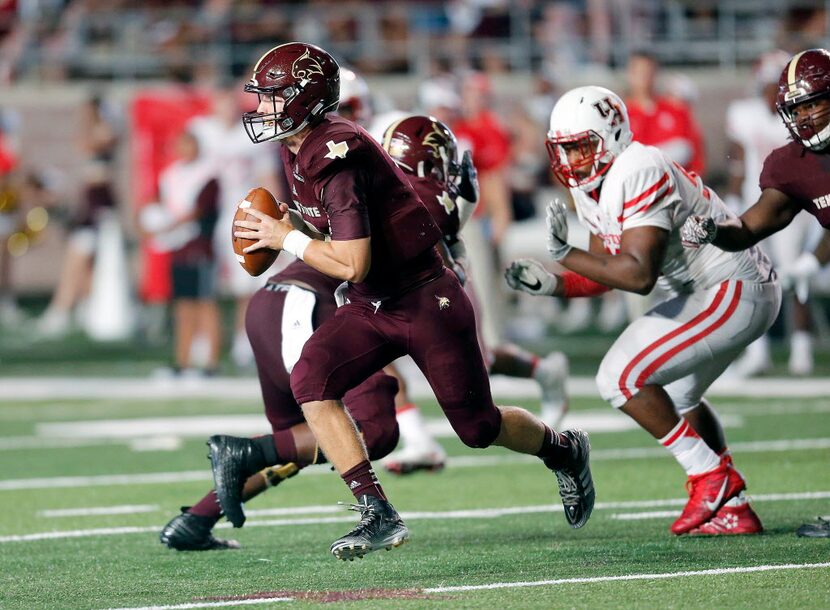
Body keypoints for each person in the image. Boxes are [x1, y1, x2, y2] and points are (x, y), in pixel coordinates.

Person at [227, 42, 594, 561]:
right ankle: (376, 512)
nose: (261, 108)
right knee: (311, 379)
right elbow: (343, 246)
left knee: (478, 427)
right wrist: (292, 227)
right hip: (371, 302)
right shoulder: (300, 147)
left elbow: (352, 260)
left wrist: (285, 238)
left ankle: (564, 449)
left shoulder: (338, 156)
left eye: (272, 97)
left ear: (303, 98)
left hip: (425, 301)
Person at [506, 85, 779, 536]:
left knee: (619, 376)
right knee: (681, 397)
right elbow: (603, 273)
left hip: (731, 286)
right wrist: (553, 283)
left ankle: (710, 477)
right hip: (713, 291)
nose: (571, 161)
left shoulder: (637, 167)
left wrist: (565, 253)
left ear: (611, 136)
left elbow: (637, 276)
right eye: (564, 150)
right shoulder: (595, 181)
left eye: (580, 148)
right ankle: (733, 508)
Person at [160, 259, 400, 551]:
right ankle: (245, 452)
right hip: (306, 305)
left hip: (278, 302)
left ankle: (196, 520)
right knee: (374, 430)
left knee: (298, 441)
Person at [378, 114, 569, 475]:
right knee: (378, 361)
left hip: (438, 289)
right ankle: (417, 438)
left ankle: (544, 372)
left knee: (478, 369)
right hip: (400, 293)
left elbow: (447, 242)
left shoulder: (428, 190)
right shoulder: (361, 141)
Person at [681, 48, 830, 335]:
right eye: (794, 111)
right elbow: (749, 228)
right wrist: (715, 230)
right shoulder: (793, 164)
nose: (803, 120)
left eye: (810, 105)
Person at [721, 50, 815, 377]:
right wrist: (733, 198)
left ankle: (801, 347)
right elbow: (736, 157)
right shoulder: (744, 114)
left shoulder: (803, 113)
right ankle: (757, 352)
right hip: (755, 207)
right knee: (751, 280)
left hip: (794, 207)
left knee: (793, 274)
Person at [142, 131, 221, 375]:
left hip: (199, 246)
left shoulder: (208, 175)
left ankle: (210, 361)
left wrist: (168, 226)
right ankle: (183, 359)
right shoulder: (171, 175)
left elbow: (200, 209)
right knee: (183, 304)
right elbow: (155, 203)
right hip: (177, 248)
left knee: (205, 303)